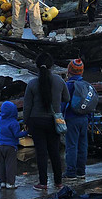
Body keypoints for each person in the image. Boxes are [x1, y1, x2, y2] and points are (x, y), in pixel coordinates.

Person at [23, 52, 70, 191]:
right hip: (54, 121)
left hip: (36, 121)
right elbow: (67, 99)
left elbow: (27, 107)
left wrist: (26, 122)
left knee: (41, 153)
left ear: (37, 66)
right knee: (54, 151)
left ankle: (43, 183)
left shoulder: (32, 84)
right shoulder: (59, 81)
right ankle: (58, 182)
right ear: (52, 66)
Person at [62, 59, 89, 180]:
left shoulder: (68, 86)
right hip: (84, 118)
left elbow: (62, 104)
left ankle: (71, 172)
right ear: (81, 72)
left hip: (71, 118)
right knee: (83, 145)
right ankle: (81, 171)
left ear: (69, 71)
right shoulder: (86, 85)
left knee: (71, 146)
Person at [0, 101, 28, 189]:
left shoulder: (0, 120)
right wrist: (26, 132)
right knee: (10, 165)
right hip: (10, 147)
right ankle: (10, 183)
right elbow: (17, 135)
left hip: (1, 146)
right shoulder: (14, 123)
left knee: (2, 165)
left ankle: (3, 182)